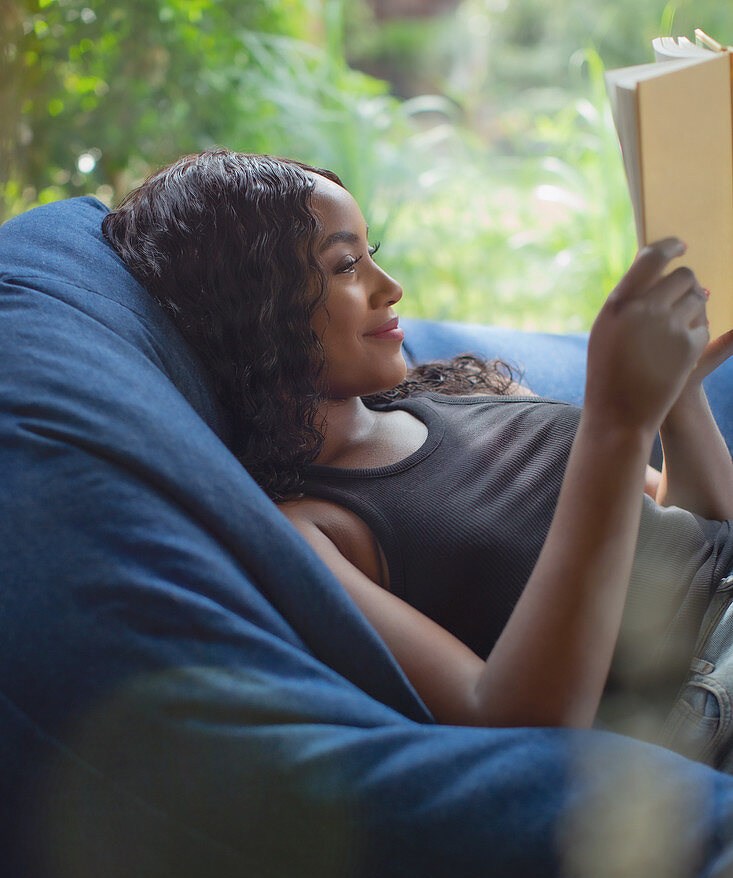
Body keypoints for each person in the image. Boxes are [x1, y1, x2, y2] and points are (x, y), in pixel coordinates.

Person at [102, 148, 733, 768]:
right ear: (253, 310)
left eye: (371, 255)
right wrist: (615, 424)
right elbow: (506, 720)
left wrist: (679, 393)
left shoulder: (466, 388)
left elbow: (696, 534)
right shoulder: (315, 527)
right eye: (347, 264)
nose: (390, 288)